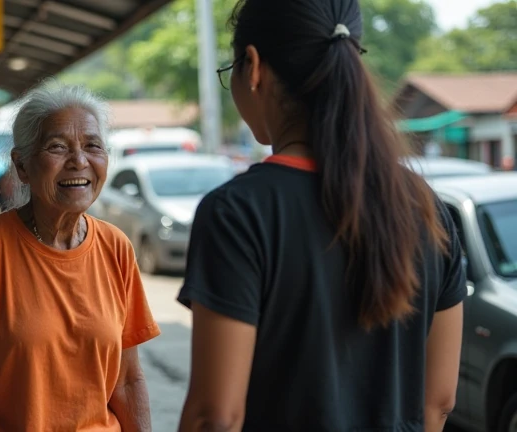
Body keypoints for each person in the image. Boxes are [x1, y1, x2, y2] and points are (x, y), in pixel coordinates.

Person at [177, 1, 466, 432]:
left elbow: (215, 416)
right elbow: (438, 402)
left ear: (252, 67)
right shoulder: (427, 208)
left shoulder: (238, 213)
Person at [0, 82, 160, 431]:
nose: (79, 161)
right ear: (22, 165)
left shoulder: (116, 247)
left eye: (92, 146)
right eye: (57, 147)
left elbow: (127, 381)